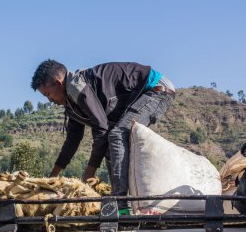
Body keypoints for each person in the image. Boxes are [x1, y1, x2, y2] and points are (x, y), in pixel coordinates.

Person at [31, 59, 175, 215]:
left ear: (59, 83)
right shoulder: (71, 104)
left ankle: (120, 206)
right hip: (143, 95)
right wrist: (51, 179)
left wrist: (89, 172)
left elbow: (101, 127)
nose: (50, 100)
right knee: (110, 147)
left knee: (117, 134)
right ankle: (122, 207)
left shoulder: (78, 87)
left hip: (157, 88)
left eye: (48, 94)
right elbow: (72, 141)